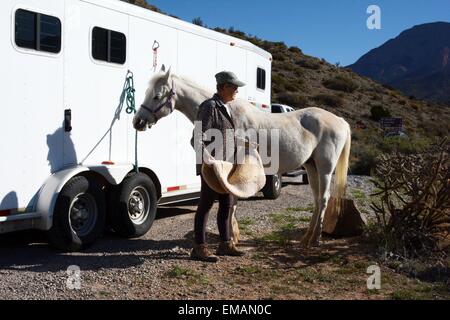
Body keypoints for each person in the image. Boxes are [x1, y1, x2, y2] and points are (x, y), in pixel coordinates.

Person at [190, 71, 246, 262]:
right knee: (205, 205)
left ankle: (225, 244)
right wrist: (209, 161)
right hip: (212, 169)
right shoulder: (209, 107)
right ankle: (199, 248)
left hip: (226, 167)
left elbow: (223, 135)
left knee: (227, 204)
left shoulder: (227, 108)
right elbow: (196, 138)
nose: (237, 89)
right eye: (233, 86)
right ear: (222, 87)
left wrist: (242, 142)